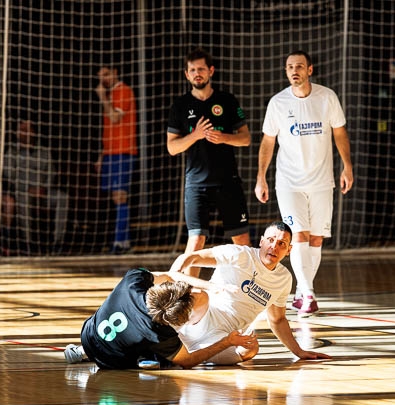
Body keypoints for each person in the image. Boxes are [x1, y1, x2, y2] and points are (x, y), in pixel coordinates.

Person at [255, 50, 353, 317]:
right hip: (289, 181)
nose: (294, 71)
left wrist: (347, 166)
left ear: (310, 69)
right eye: (289, 67)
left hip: (321, 180)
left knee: (316, 238)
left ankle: (302, 292)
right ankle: (308, 293)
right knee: (298, 234)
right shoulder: (278, 102)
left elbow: (340, 133)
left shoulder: (327, 97)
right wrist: (261, 177)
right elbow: (268, 141)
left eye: (299, 66)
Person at [171, 221, 330, 364]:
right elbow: (190, 258)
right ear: (261, 241)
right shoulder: (239, 254)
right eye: (270, 240)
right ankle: (166, 334)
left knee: (251, 349)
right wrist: (174, 277)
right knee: (200, 296)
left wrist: (299, 352)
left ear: (289, 250)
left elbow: (277, 320)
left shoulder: (284, 278)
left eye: (281, 243)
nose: (274, 247)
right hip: (200, 317)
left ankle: (196, 354)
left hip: (226, 337)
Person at [64, 268, 257, 370]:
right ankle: (152, 358)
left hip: (87, 334)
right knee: (169, 360)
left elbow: (169, 275)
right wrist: (227, 342)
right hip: (110, 363)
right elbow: (188, 361)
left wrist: (212, 286)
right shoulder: (160, 332)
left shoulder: (133, 281)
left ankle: (81, 351)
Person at [166, 47, 251, 276]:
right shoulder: (180, 106)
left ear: (211, 71)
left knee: (242, 239)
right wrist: (195, 135)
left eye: (201, 69)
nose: (197, 73)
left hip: (227, 181)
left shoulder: (226, 100)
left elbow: (245, 139)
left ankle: (246, 288)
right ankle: (187, 293)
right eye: (193, 70)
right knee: (196, 240)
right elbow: (172, 148)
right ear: (187, 75)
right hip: (197, 183)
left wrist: (224, 137)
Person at [2, 119, 66, 255]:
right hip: (23, 192)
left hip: (43, 192)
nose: (25, 133)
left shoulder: (44, 151)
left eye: (28, 129)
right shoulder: (11, 151)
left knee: (62, 197)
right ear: (17, 133)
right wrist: (27, 189)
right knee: (23, 199)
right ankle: (28, 243)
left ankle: (58, 243)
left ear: (33, 132)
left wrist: (44, 188)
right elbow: (9, 176)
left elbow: (51, 173)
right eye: (22, 130)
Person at [95, 66, 137, 254]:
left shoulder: (123, 90)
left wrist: (102, 97)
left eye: (105, 74)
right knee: (115, 197)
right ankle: (123, 241)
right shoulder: (112, 93)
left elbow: (114, 118)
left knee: (120, 196)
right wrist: (102, 156)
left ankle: (121, 242)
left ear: (115, 72)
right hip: (111, 153)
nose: (103, 79)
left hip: (123, 151)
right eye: (100, 76)